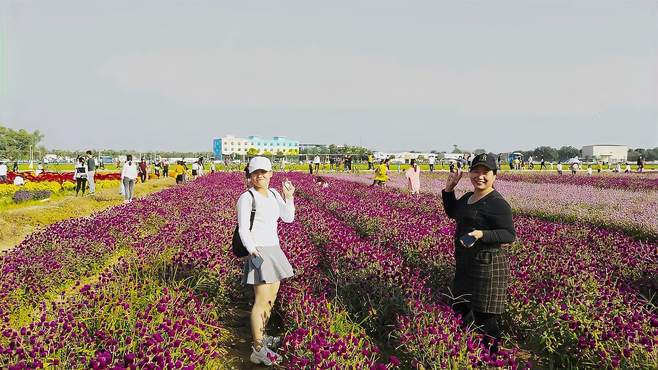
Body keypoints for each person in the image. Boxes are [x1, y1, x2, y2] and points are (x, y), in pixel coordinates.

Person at [442, 153, 515, 353]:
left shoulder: (497, 203)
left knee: (485, 316)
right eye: (476, 171)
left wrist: (481, 234)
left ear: (494, 176)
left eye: (486, 172)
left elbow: (509, 234)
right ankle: (463, 351)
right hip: (466, 263)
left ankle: (492, 357)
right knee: (459, 307)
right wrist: (449, 190)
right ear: (470, 173)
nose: (480, 176)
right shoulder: (468, 197)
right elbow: (453, 213)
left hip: (488, 266)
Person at [237, 156, 296, 365]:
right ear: (250, 175)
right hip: (259, 251)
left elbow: (288, 218)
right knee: (261, 301)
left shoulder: (273, 194)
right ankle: (258, 350)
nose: (260, 175)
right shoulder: (247, 198)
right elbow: (244, 229)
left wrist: (289, 197)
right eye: (255, 173)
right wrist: (253, 252)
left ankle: (262, 336)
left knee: (271, 299)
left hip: (274, 250)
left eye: (264, 172)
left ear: (271, 173)